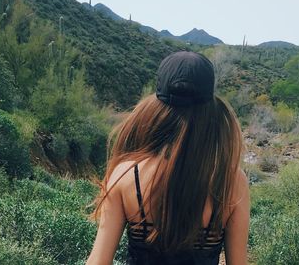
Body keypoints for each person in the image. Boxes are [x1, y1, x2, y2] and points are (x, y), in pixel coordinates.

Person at [86, 51, 250, 265]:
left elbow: (98, 262)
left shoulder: (127, 175)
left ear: (157, 108)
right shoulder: (232, 182)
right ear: (211, 111)